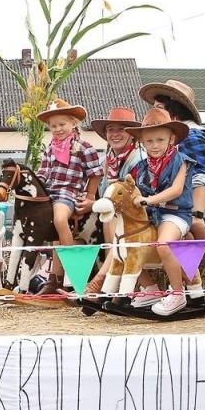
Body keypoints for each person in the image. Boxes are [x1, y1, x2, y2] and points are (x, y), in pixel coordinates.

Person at [123, 106, 194, 317]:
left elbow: (176, 190)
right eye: (150, 141)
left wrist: (148, 200)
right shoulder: (140, 167)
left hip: (176, 213)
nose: (155, 146)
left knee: (164, 245)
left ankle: (178, 293)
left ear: (171, 139)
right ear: (142, 142)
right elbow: (130, 189)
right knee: (127, 246)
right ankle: (150, 289)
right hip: (152, 215)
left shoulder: (181, 161)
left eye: (160, 140)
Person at [140, 79, 205, 241]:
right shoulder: (160, 139)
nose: (154, 113)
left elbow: (203, 176)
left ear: (174, 110)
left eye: (159, 108)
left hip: (193, 214)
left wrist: (196, 216)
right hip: (166, 211)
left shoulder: (192, 134)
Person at [36, 99, 100, 291]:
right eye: (53, 126)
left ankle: (75, 271)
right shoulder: (49, 149)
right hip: (50, 193)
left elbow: (95, 173)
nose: (58, 129)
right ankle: (54, 278)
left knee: (60, 220)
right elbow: (42, 174)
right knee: (54, 233)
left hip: (69, 193)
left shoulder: (83, 147)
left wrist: (90, 196)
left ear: (73, 123)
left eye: (62, 124)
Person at [87, 107, 144, 294]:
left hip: (137, 215)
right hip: (115, 213)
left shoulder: (137, 160)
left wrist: (95, 204)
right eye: (111, 129)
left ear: (131, 134)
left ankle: (99, 282)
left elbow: (133, 196)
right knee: (104, 218)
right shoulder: (109, 160)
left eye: (121, 129)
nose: (115, 134)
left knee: (111, 218)